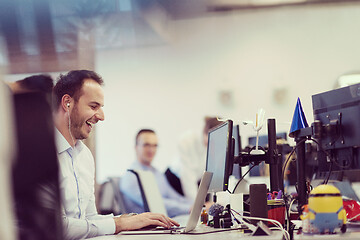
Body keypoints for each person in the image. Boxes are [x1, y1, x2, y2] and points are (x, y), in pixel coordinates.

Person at [52, 70, 178, 239]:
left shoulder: (84, 156)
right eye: (93, 106)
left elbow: (89, 219)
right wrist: (119, 224)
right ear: (67, 103)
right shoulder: (40, 154)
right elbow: (57, 228)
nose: (102, 116)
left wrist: (132, 220)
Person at [120, 129, 193, 218]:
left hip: (165, 221)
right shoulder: (131, 176)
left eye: (155, 145)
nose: (151, 150)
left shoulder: (157, 173)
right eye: (146, 145)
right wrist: (188, 208)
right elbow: (155, 204)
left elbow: (175, 197)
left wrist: (198, 206)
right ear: (136, 147)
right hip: (147, 228)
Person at [166, 117, 222, 201]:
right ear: (207, 132)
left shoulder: (212, 146)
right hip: (175, 181)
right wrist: (198, 204)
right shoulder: (187, 140)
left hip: (197, 181)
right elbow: (187, 175)